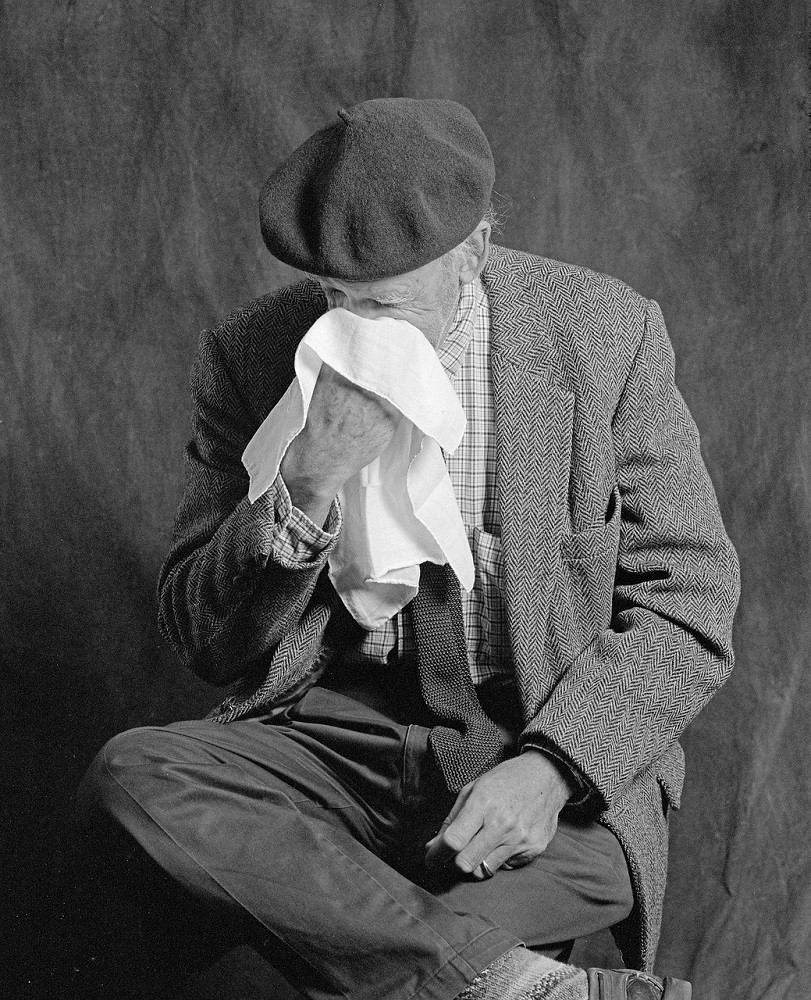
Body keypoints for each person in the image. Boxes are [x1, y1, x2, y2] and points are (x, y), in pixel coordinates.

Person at [77, 98, 740, 1000]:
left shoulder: (600, 334)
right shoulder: (256, 353)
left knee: (374, 950)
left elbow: (688, 601)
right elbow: (205, 641)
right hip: (337, 739)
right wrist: (303, 485)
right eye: (334, 297)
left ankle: (422, 953)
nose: (356, 325)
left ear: (471, 250)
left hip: (531, 740)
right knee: (135, 772)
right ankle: (515, 987)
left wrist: (553, 769)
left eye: (384, 300)